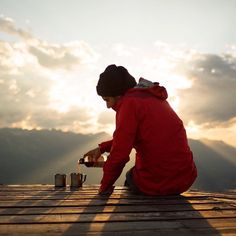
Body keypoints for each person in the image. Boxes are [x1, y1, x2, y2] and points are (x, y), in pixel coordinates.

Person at [84, 64, 197, 196]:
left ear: (119, 94)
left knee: (130, 178)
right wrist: (101, 148)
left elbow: (119, 155)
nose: (108, 106)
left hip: (160, 182)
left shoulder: (129, 104)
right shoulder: (151, 97)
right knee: (135, 174)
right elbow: (136, 136)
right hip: (185, 178)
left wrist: (104, 188)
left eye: (107, 99)